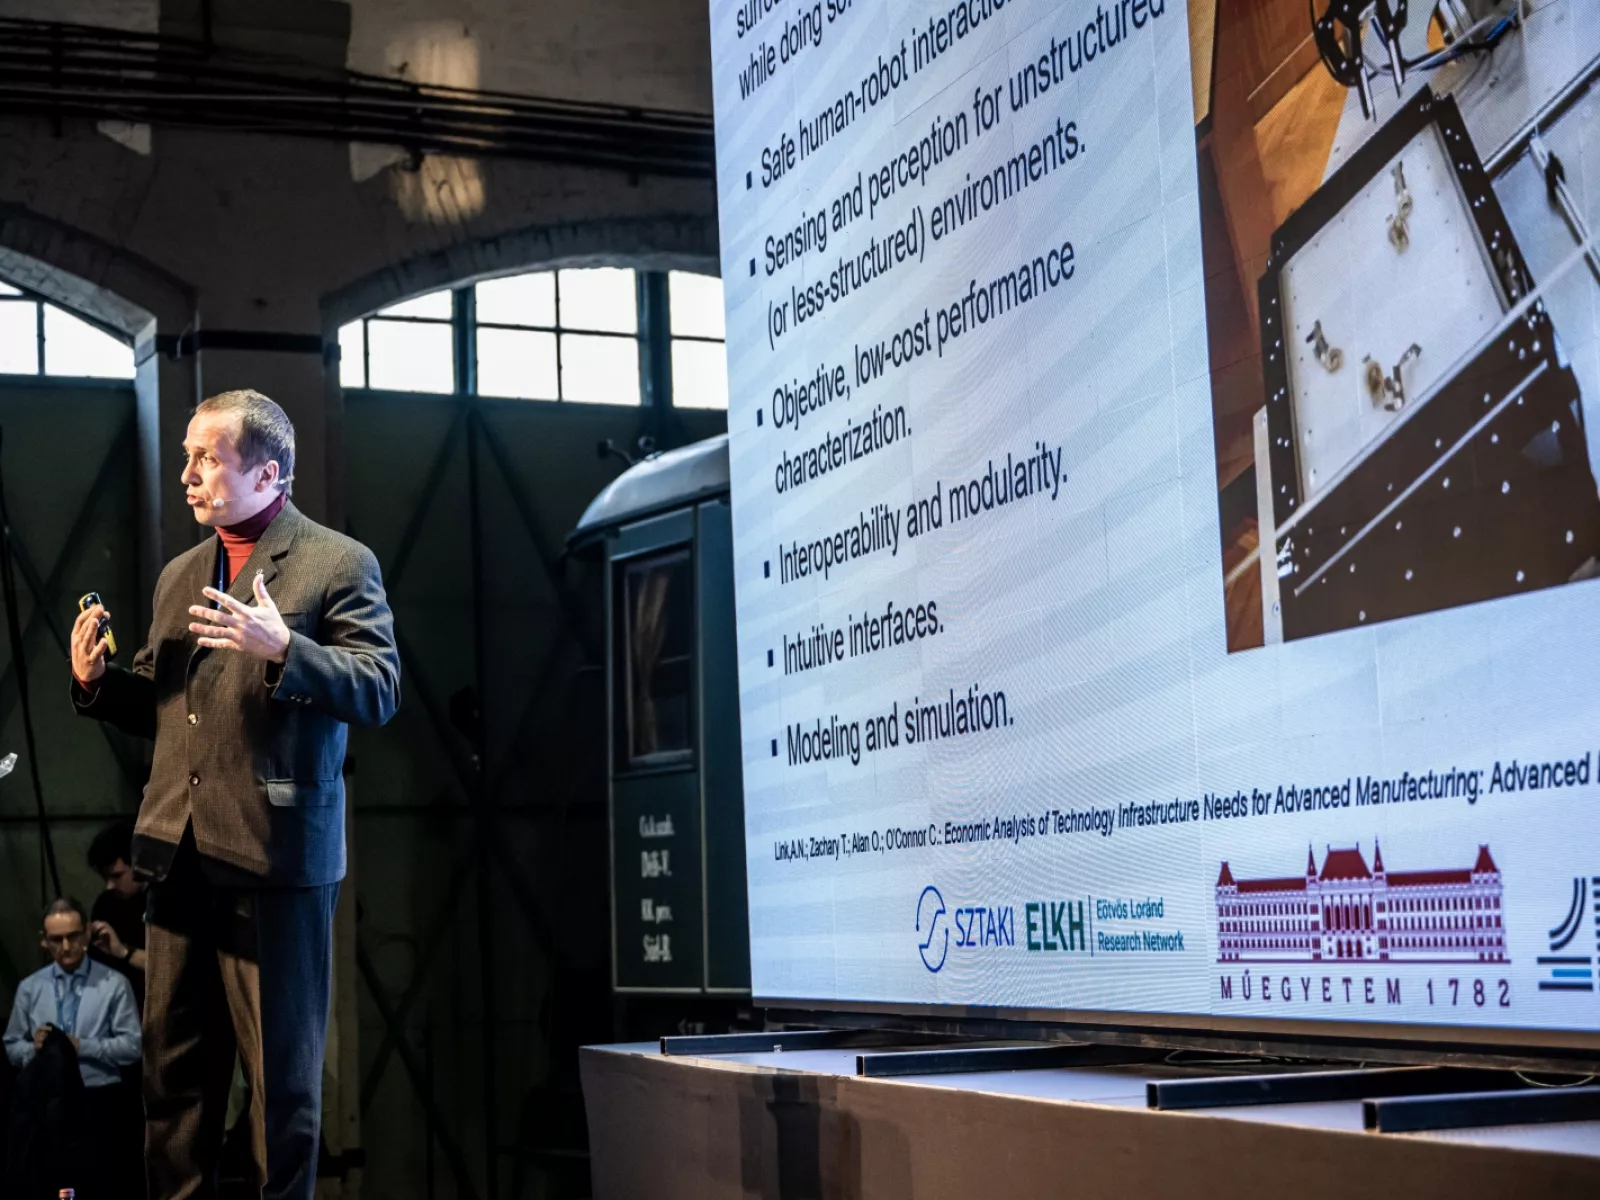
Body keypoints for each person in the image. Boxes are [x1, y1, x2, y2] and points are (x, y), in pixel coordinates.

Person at [69, 389, 400, 1200]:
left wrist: (287, 649)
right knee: (173, 1078)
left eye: (206, 458)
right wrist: (97, 683)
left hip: (273, 860)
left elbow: (380, 687)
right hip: (175, 856)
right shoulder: (181, 573)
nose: (187, 474)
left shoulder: (337, 562)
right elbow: (164, 704)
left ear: (269, 473)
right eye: (186, 456)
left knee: (279, 1087)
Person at [4, 897, 142, 1197]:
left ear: (87, 933)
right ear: (44, 941)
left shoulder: (114, 984)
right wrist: (34, 1050)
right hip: (48, 1105)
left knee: (101, 1187)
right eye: (57, 939)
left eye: (73, 936)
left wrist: (80, 1047)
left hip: (100, 1102)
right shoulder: (30, 988)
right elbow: (11, 1044)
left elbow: (133, 1046)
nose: (66, 947)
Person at [87, 820, 147, 1005]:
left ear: (139, 863)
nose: (109, 885)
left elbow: (172, 968)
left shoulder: (168, 903)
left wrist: (123, 951)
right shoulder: (106, 904)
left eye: (117, 875)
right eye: (105, 877)